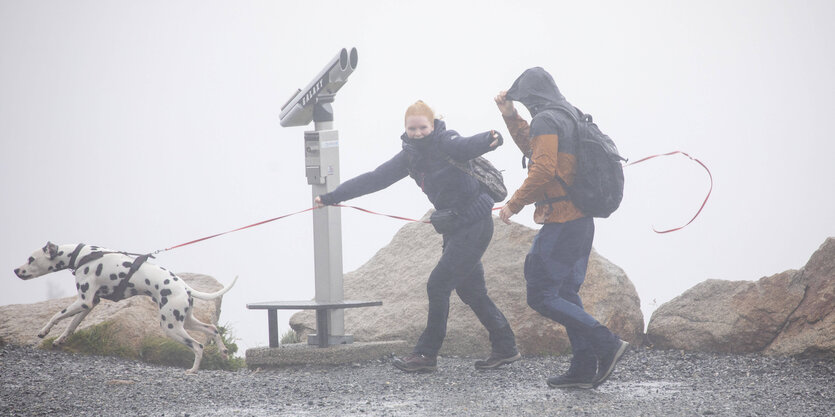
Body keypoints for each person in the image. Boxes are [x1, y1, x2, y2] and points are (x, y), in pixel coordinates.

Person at [314, 100, 520, 373]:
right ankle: (506, 347)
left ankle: (426, 354)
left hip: (475, 224)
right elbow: (374, 179)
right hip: (455, 227)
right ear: (405, 129)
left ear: (432, 125)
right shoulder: (410, 157)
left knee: (437, 285)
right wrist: (331, 197)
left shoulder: (445, 140)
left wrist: (489, 139)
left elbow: (465, 146)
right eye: (412, 128)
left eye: (423, 127)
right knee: (472, 291)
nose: (418, 133)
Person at [494, 67, 628, 389]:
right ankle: (583, 368)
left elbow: (542, 169)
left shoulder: (547, 120)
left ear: (533, 97)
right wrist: (510, 115)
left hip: (563, 220)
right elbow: (537, 150)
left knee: (540, 293)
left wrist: (514, 203)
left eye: (524, 101)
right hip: (581, 221)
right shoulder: (568, 115)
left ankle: (607, 343)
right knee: (566, 293)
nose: (526, 106)